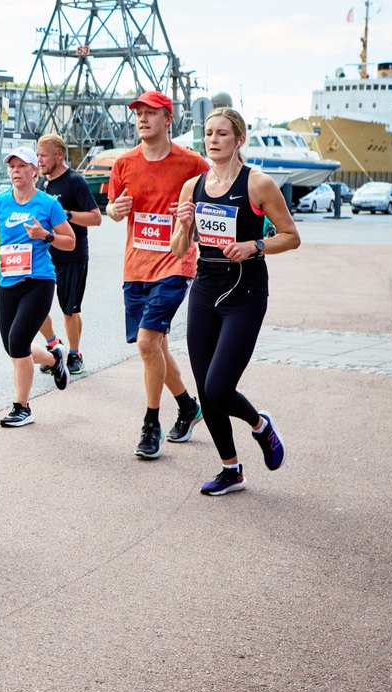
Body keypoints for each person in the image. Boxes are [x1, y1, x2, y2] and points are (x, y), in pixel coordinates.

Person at [170, 107, 300, 496]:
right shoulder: (192, 187)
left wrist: (254, 245)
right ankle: (231, 469)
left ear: (239, 138)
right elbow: (179, 249)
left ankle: (260, 426)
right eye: (208, 133)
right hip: (206, 288)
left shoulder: (258, 184)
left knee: (218, 386)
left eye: (222, 133)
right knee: (204, 386)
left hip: (245, 293)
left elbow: (290, 236)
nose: (213, 140)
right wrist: (184, 224)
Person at [106, 91, 210, 459]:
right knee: (157, 346)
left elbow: (215, 202)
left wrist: (192, 217)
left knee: (148, 343)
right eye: (137, 114)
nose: (142, 120)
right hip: (136, 266)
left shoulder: (193, 163)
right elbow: (113, 209)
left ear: (168, 118)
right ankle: (187, 406)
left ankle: (151, 423)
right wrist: (116, 209)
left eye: (150, 113)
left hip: (176, 262)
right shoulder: (124, 163)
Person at [0, 146, 74, 427]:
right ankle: (55, 359)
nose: (16, 172)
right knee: (12, 346)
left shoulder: (47, 204)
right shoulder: (0, 202)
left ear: (33, 170)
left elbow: (70, 241)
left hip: (39, 281)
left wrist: (46, 235)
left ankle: (22, 407)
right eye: (12, 167)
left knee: (18, 341)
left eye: (21, 167)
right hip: (8, 281)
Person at [34, 133, 102, 375]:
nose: (39, 160)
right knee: (35, 307)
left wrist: (65, 215)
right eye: (38, 155)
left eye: (44, 155)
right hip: (44, 256)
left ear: (59, 155)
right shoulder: (41, 184)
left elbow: (96, 218)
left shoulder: (75, 181)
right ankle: (55, 346)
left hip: (72, 256)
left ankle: (74, 354)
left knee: (69, 309)